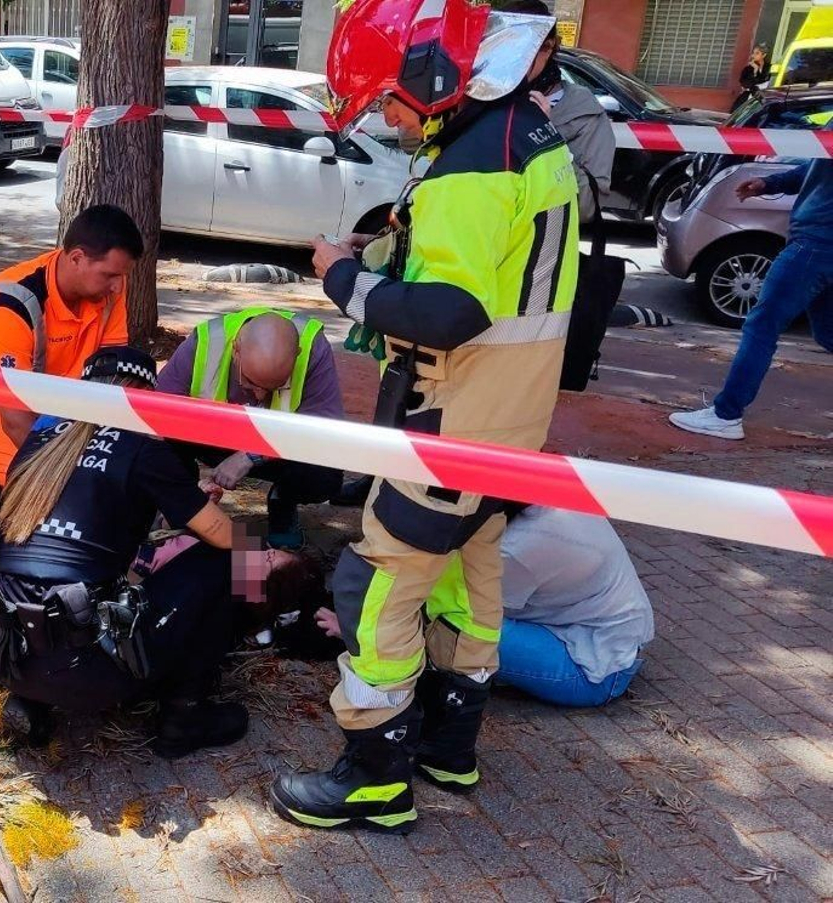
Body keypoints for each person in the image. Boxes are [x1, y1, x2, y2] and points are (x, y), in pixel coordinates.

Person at [268, 0, 578, 836]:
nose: (385, 116)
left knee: (379, 584)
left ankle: (371, 776)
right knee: (474, 583)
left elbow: (450, 311)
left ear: (433, 77)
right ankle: (449, 746)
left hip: (454, 416)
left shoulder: (472, 166)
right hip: (510, 421)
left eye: (387, 99)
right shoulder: (523, 136)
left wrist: (343, 279)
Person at [0, 347, 254, 759]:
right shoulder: (142, 451)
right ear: (144, 398)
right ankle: (187, 711)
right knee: (234, 555)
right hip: (93, 671)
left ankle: (33, 699)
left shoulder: (39, 440)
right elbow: (224, 536)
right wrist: (260, 555)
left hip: (6, 655)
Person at [318, 506, 653, 708]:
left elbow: (450, 607)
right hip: (609, 637)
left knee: (457, 628)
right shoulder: (551, 504)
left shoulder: (520, 548)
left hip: (594, 667)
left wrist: (360, 626)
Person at [0, 205, 137, 484]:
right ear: (77, 258)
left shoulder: (108, 285)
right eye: (110, 276)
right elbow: (14, 419)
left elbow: (113, 370)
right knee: (31, 483)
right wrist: (64, 468)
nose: (118, 286)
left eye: (122, 275)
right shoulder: (11, 305)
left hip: (58, 402)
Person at [669, 138, 832, 440]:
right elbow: (817, 166)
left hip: (815, 244)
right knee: (827, 332)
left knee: (762, 326)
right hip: (817, 241)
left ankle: (726, 415)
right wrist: (769, 184)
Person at [156, 309, 344, 542]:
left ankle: (282, 500)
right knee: (160, 447)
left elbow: (324, 431)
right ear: (236, 349)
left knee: (325, 474)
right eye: (251, 382)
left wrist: (249, 456)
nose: (259, 395)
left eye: (273, 387)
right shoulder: (205, 341)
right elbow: (156, 414)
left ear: (297, 355)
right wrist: (186, 482)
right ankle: (187, 504)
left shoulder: (313, 347)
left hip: (277, 450)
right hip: (214, 438)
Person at [503, 1, 614, 221]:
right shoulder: (481, 95)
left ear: (548, 47)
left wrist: (547, 136)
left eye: (521, 47)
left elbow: (587, 207)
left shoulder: (581, 110)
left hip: (540, 247)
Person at [736, 45, 772, 110]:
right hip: (748, 96)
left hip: (765, 96)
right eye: (753, 53)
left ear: (764, 55)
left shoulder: (770, 68)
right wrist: (755, 70)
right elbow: (745, 84)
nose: (754, 55)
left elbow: (767, 80)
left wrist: (758, 71)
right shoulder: (747, 69)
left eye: (757, 53)